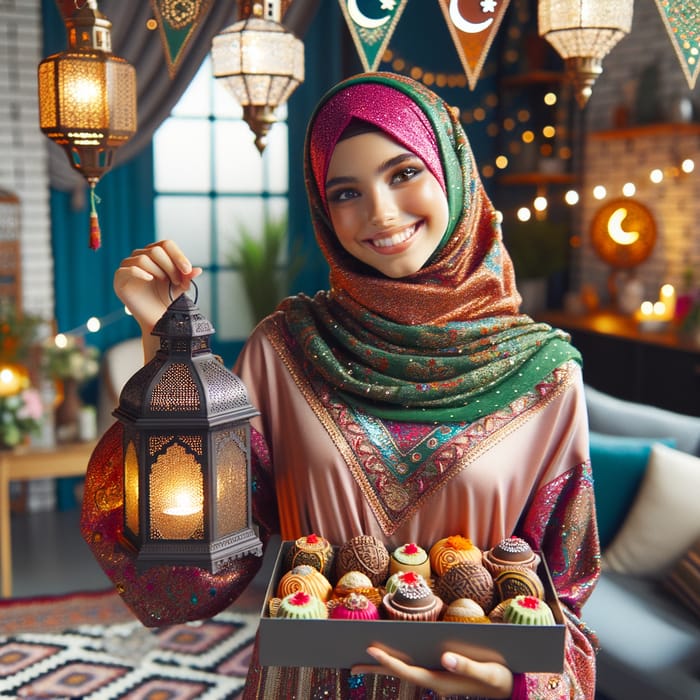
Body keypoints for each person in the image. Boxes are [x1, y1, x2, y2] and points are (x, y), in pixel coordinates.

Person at [85, 71, 599, 699]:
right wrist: (163, 342)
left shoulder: (546, 379)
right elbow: (189, 567)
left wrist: (516, 682)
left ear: (454, 173)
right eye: (346, 191)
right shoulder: (283, 354)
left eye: (405, 173)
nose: (379, 213)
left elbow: (565, 604)